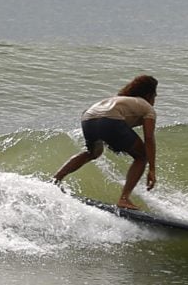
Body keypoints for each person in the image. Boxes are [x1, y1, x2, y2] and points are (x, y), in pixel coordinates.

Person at [52, 75, 158, 209]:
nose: (154, 100)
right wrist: (152, 169)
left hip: (88, 118)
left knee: (92, 153)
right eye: (155, 96)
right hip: (110, 119)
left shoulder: (120, 100)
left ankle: (54, 180)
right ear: (149, 95)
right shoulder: (147, 107)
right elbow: (149, 138)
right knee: (142, 156)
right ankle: (124, 199)